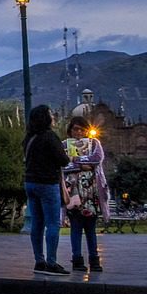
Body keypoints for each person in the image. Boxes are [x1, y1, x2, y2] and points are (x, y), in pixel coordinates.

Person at [24, 105, 71, 276]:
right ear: (46, 118)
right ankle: (51, 262)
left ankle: (39, 261)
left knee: (37, 223)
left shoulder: (29, 138)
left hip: (30, 183)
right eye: (51, 114)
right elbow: (63, 160)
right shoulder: (50, 137)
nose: (53, 116)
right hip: (47, 183)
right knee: (53, 223)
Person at [62, 116, 108, 272]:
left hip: (92, 194)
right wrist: (83, 165)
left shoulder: (95, 144)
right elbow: (63, 165)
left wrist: (75, 160)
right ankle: (77, 259)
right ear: (70, 130)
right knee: (75, 227)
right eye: (76, 129)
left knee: (90, 228)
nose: (79, 132)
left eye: (82, 129)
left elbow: (97, 159)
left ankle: (94, 260)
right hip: (73, 193)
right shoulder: (64, 145)